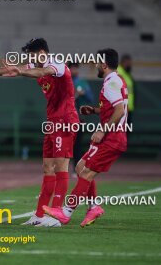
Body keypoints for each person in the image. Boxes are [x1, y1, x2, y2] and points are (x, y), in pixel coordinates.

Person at [0, 38, 78, 227]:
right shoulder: (34, 64)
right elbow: (12, 70)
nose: (29, 58)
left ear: (42, 52)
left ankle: (56, 215)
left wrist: (21, 71)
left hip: (66, 121)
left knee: (61, 167)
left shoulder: (55, 63)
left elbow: (42, 72)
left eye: (31, 54)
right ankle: (40, 214)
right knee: (47, 168)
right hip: (52, 122)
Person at [43, 48, 128, 227]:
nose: (95, 66)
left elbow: (119, 111)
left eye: (97, 63)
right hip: (110, 136)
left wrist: (102, 130)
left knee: (87, 173)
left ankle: (66, 212)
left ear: (104, 64)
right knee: (82, 167)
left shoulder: (112, 82)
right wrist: (95, 110)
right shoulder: (115, 80)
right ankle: (94, 206)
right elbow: (114, 108)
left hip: (112, 137)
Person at [68, 63, 94, 172]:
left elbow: (91, 98)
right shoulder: (65, 81)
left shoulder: (82, 83)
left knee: (77, 145)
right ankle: (60, 168)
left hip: (78, 119)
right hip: (65, 119)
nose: (74, 70)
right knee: (64, 144)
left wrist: (82, 93)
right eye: (72, 67)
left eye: (75, 67)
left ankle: (76, 168)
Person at [117, 54, 134, 125]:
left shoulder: (126, 74)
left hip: (127, 108)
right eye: (128, 64)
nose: (130, 66)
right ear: (124, 62)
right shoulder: (119, 73)